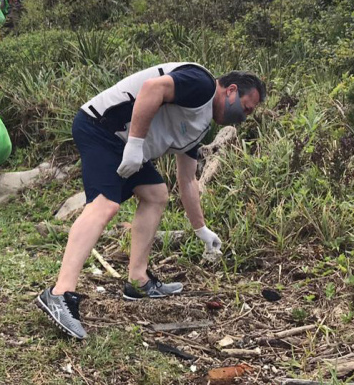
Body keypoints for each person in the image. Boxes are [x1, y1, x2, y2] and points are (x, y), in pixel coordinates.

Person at [36, 64, 266, 340]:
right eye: (246, 108)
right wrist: (134, 145)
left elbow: (188, 180)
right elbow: (152, 89)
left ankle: (138, 281)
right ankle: (60, 294)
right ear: (230, 90)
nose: (243, 117)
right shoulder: (201, 84)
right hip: (101, 128)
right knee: (105, 204)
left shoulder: (200, 124)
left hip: (123, 143)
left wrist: (201, 230)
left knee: (156, 194)